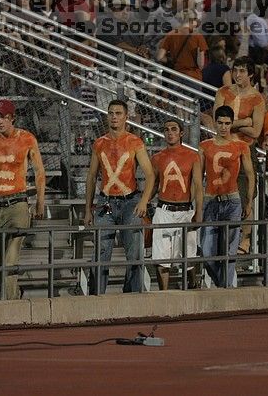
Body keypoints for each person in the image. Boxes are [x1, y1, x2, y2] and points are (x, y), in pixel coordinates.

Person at [0, 99, 45, 299]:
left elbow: (39, 171)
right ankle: (14, 292)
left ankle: (8, 307)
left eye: (4, 117)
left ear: (12, 118)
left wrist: (40, 202)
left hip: (18, 204)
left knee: (11, 260)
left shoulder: (27, 139)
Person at [83, 99, 155, 294]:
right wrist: (87, 209)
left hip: (130, 201)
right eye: (111, 113)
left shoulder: (134, 142)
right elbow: (91, 176)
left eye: (118, 113)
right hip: (105, 201)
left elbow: (150, 174)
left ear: (126, 117)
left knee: (134, 252)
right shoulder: (100, 143)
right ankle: (97, 295)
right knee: (100, 251)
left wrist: (143, 201)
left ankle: (131, 295)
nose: (114, 117)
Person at [199, 105, 254, 288]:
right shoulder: (204, 146)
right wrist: (198, 205)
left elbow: (250, 174)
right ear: (215, 123)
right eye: (220, 123)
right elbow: (198, 178)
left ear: (231, 124)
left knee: (230, 250)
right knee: (207, 250)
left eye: (227, 123)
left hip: (232, 200)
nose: (223, 127)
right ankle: (224, 284)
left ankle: (225, 289)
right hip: (210, 200)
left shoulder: (241, 146)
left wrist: (249, 201)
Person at [150, 118, 203, 290]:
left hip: (185, 210)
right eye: (166, 129)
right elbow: (153, 184)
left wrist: (199, 211)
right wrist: (144, 202)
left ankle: (192, 287)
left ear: (181, 133)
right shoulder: (157, 158)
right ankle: (164, 295)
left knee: (188, 255)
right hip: (163, 209)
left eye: (173, 129)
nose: (170, 132)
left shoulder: (192, 156)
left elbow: (197, 185)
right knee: (161, 257)